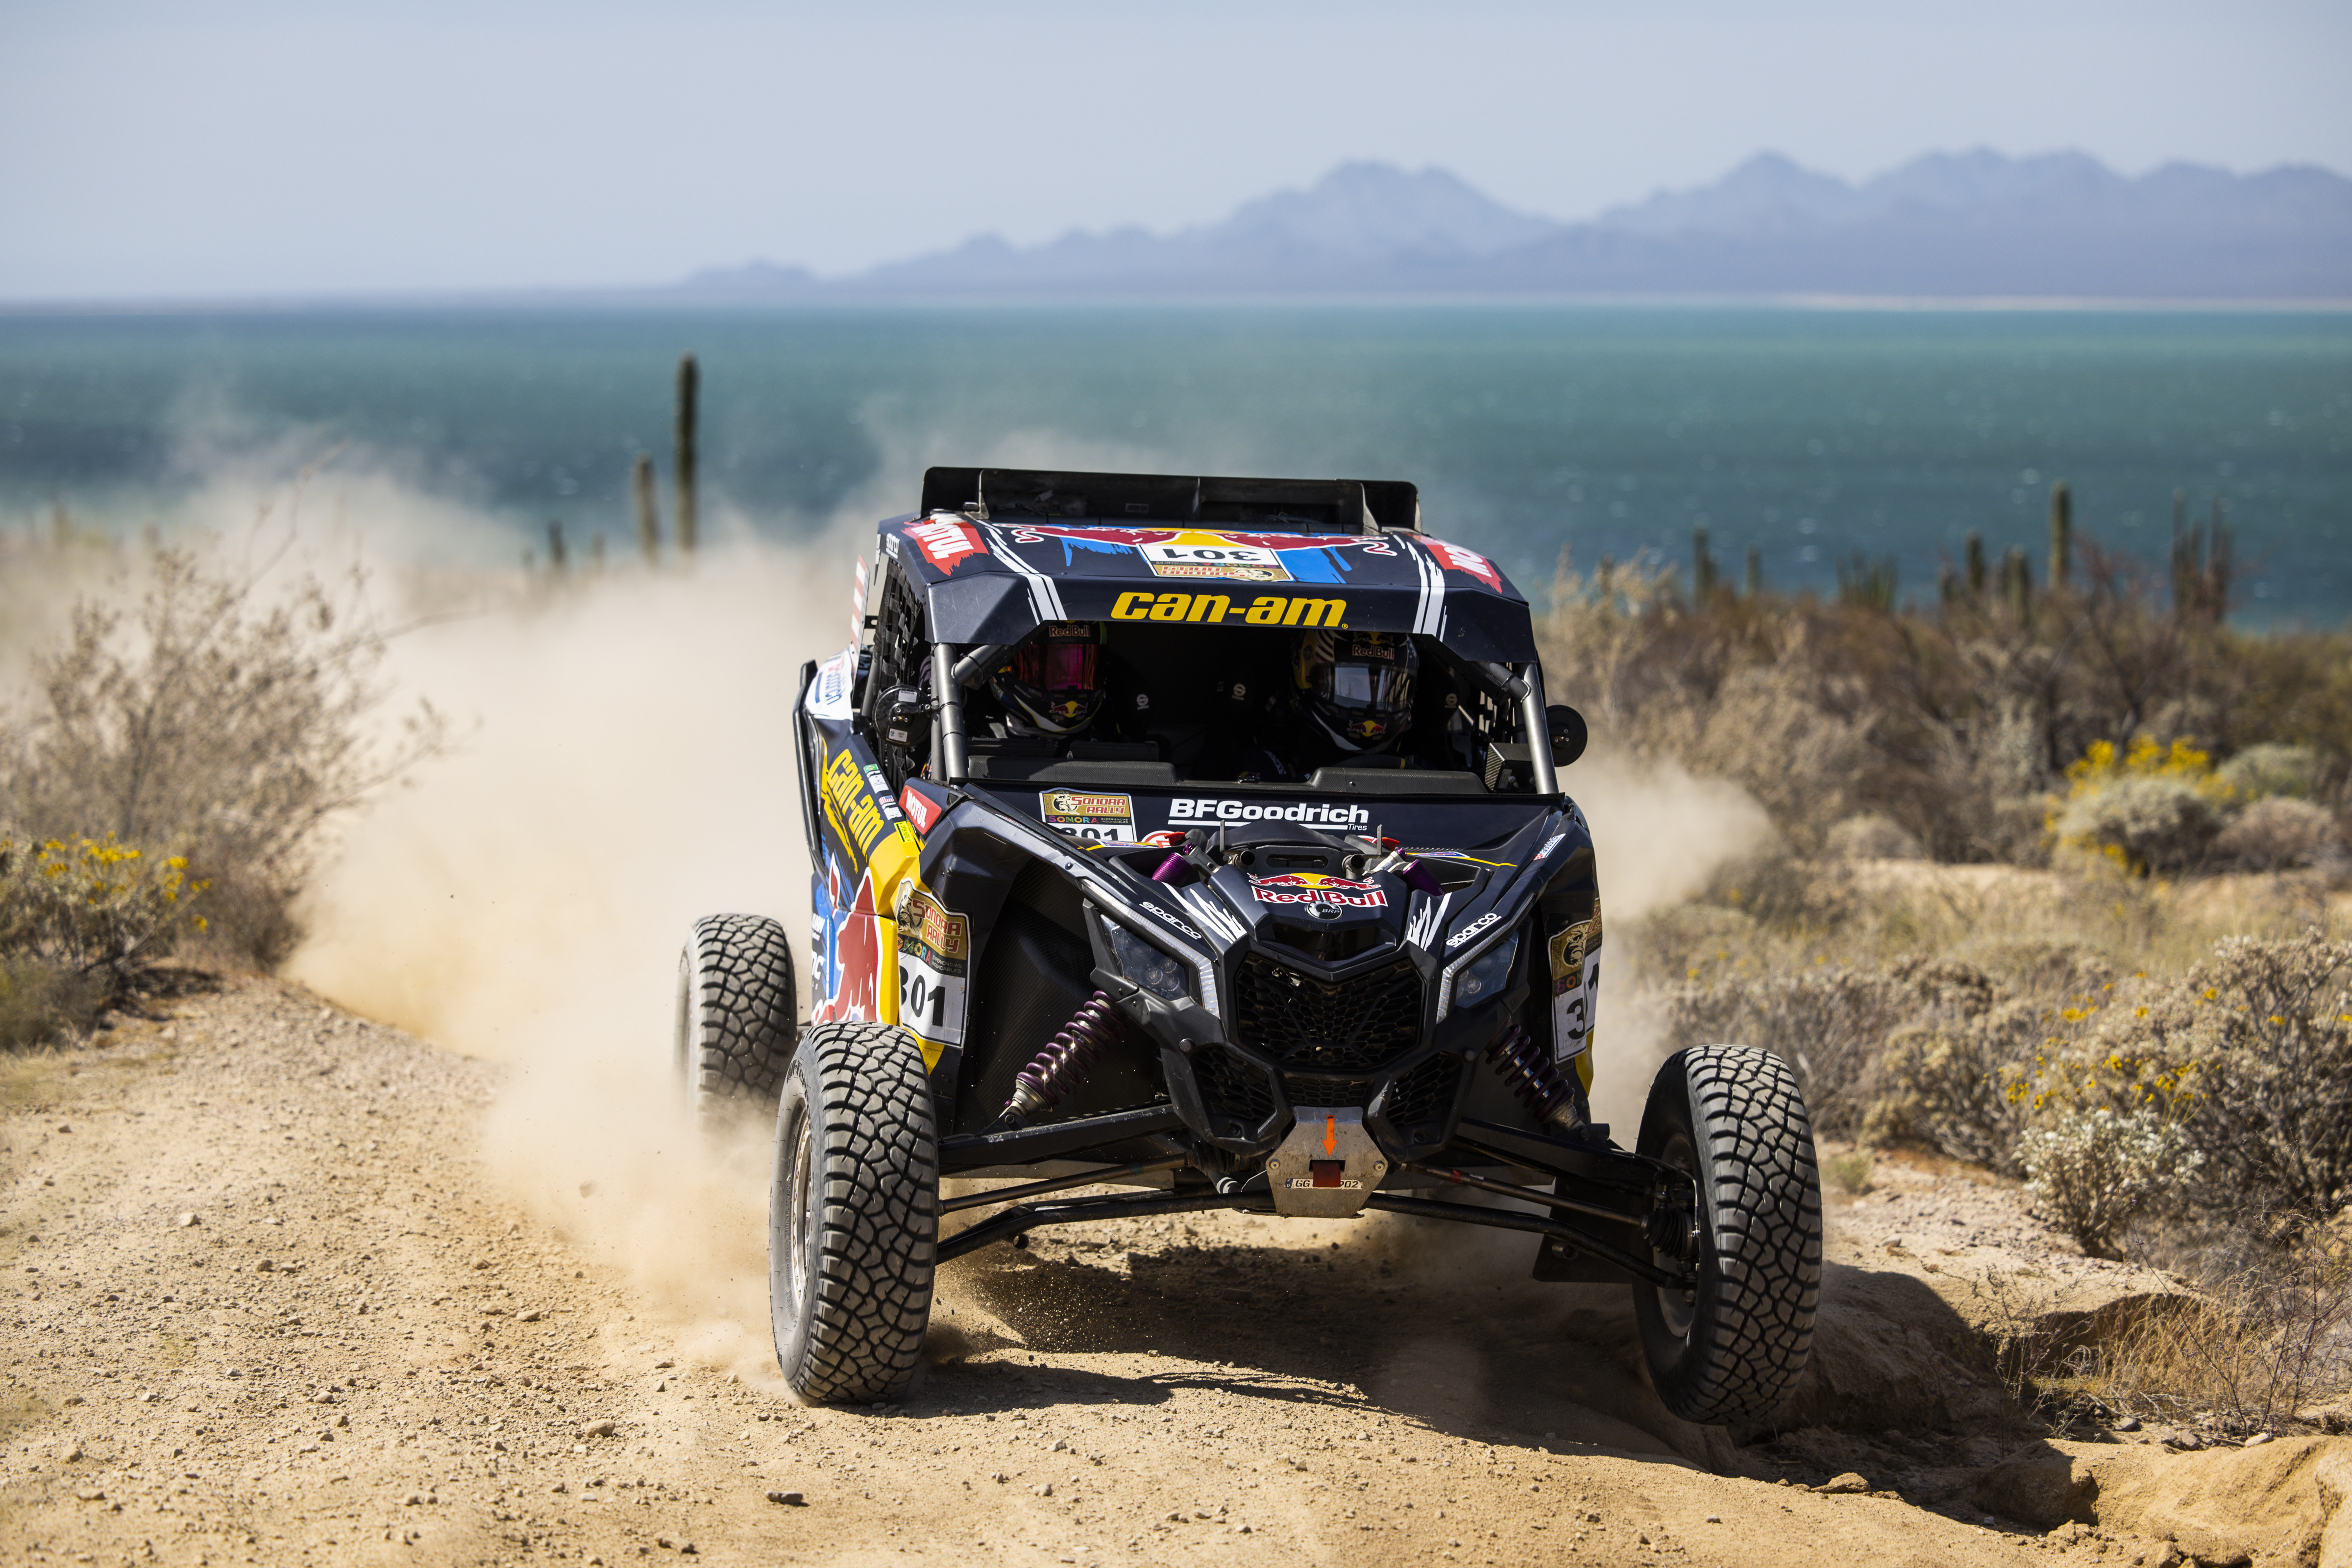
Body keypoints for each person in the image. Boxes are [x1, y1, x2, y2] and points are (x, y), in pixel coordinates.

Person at [1217, 629, 1423, 782]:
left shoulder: (1421, 768)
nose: (1370, 705)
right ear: (1307, 679)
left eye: (1387, 688)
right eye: (1352, 685)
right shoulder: (1269, 766)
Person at [978, 621, 1152, 744]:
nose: (1068, 685)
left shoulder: (1114, 739)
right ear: (1003, 667)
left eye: (1078, 670)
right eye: (1052, 670)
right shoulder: (968, 741)